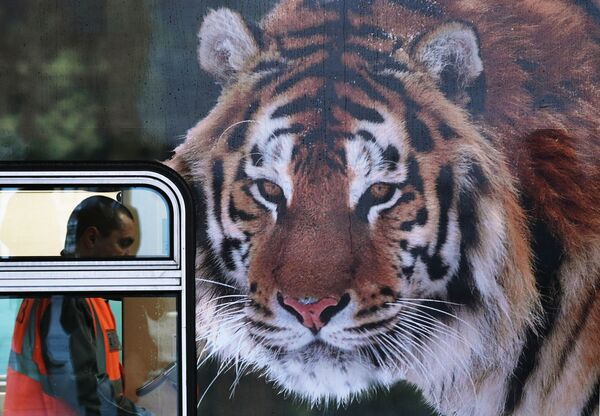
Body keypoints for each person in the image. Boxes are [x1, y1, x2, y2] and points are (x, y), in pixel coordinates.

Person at [4, 196, 152, 415]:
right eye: (123, 244)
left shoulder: (85, 295)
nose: (129, 257)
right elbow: (85, 393)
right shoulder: (63, 300)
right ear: (91, 238)